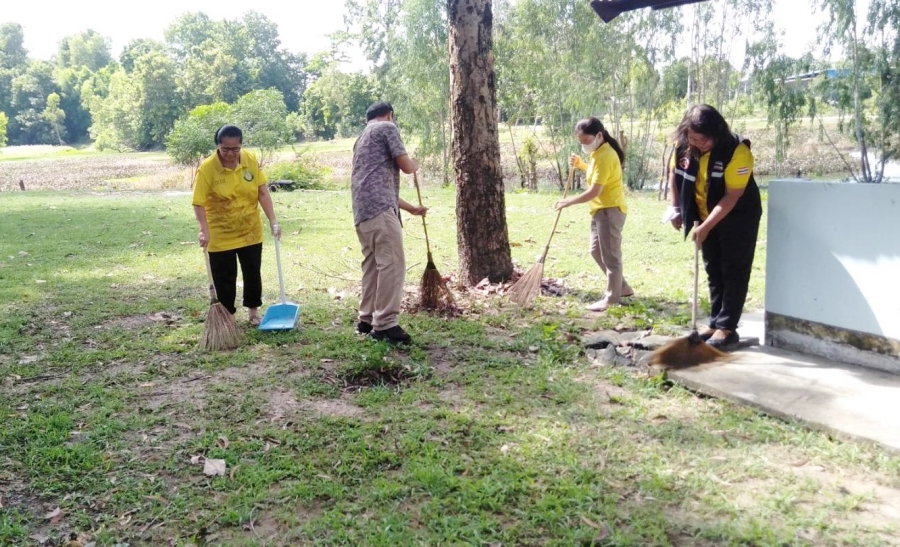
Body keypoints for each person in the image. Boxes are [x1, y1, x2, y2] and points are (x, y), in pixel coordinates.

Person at [666, 104, 762, 348]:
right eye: (693, 138)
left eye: (704, 139)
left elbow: (731, 196)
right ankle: (715, 321)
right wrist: (676, 208)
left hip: (737, 216)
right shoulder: (683, 147)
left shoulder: (737, 152)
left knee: (734, 270)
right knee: (713, 269)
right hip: (703, 214)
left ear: (717, 132)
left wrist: (707, 226)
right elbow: (675, 176)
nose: (698, 143)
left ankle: (727, 327)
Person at [351, 101, 427, 344]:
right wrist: (415, 164)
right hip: (380, 210)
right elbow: (406, 166)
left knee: (373, 265)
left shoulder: (362, 137)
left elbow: (378, 183)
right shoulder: (387, 128)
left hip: (363, 212)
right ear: (390, 115)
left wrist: (411, 209)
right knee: (392, 263)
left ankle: (366, 319)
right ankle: (384, 324)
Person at [192, 124, 281, 326]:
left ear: (241, 145)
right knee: (224, 277)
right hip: (221, 232)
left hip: (250, 228)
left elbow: (262, 192)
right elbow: (198, 202)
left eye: (235, 149)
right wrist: (203, 229)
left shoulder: (250, 160)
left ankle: (253, 312)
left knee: (252, 273)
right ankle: (228, 317)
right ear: (218, 147)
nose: (231, 154)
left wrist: (273, 220)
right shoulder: (207, 169)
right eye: (226, 149)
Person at [555, 117, 633, 312]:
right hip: (599, 210)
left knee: (611, 256)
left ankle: (611, 298)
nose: (584, 145)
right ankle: (622, 287)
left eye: (586, 141)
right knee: (596, 251)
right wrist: (582, 164)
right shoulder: (598, 153)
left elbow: (594, 190)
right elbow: (596, 173)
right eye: (581, 142)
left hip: (610, 210)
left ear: (599, 135)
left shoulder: (606, 155)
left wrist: (569, 201)